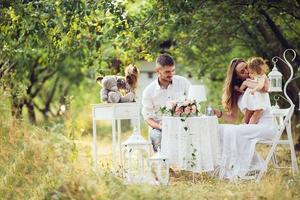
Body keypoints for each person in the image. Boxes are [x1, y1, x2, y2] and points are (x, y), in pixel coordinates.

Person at [213, 58, 277, 181]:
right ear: (236, 77)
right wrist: (219, 113)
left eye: (246, 67)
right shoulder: (238, 92)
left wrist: (252, 81)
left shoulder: (258, 81)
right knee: (220, 128)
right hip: (252, 125)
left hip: (266, 126)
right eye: (242, 71)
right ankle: (225, 166)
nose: (247, 72)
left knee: (236, 131)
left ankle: (246, 167)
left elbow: (265, 88)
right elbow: (233, 117)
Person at [142, 53, 191, 152]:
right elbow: (148, 118)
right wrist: (161, 126)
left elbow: (193, 101)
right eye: (167, 72)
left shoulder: (183, 82)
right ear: (158, 71)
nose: (171, 74)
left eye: (173, 70)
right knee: (156, 136)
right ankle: (162, 164)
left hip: (182, 124)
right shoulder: (149, 91)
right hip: (161, 127)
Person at [238, 57, 271, 124]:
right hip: (255, 99)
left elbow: (260, 85)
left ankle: (250, 127)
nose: (249, 74)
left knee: (255, 115)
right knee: (248, 115)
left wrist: (254, 89)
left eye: (252, 73)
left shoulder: (262, 76)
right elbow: (246, 84)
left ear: (257, 70)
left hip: (260, 100)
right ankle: (244, 127)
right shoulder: (256, 76)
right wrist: (240, 90)